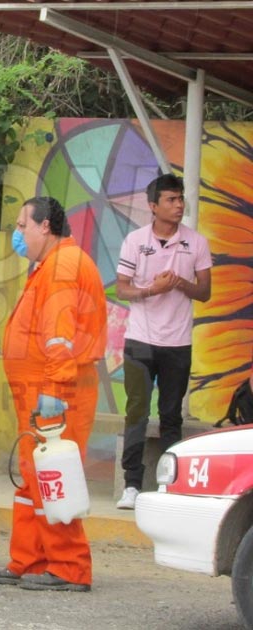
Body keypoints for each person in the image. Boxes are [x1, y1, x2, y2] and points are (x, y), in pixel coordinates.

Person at [0, 196, 107, 592]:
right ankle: (30, 560)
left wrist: (52, 392)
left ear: (45, 228)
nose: (17, 234)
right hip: (42, 392)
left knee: (55, 478)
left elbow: (59, 337)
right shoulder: (52, 265)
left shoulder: (62, 267)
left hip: (55, 392)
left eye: (22, 225)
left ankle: (69, 567)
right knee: (35, 479)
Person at [114, 174, 212, 509]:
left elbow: (205, 292)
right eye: (171, 199)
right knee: (136, 411)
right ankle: (131, 484)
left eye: (181, 198)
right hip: (140, 340)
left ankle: (172, 486)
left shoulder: (196, 242)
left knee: (171, 415)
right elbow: (121, 288)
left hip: (178, 342)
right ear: (153, 206)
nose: (179, 205)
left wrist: (179, 283)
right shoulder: (134, 241)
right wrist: (151, 290)